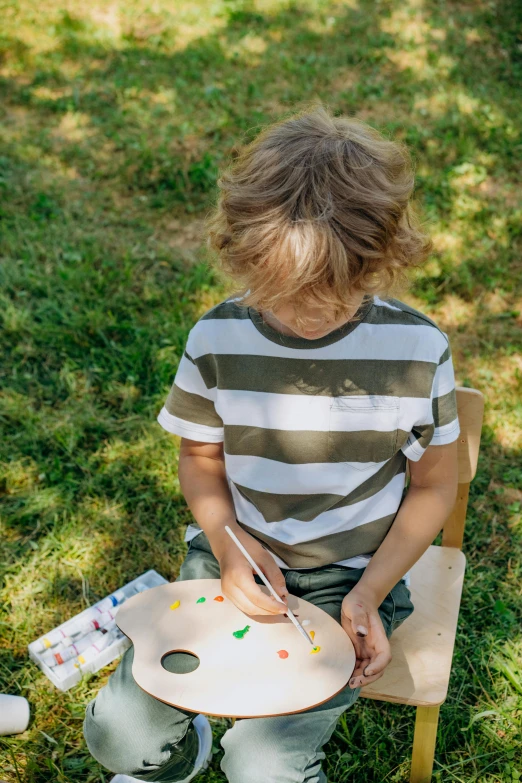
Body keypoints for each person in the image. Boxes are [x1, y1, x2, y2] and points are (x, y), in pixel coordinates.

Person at [83, 102, 460, 783]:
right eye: (279, 292)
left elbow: (434, 484)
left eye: (327, 293)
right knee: (117, 735)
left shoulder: (416, 350)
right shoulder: (217, 338)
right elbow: (198, 459)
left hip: (354, 573)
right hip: (234, 557)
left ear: (376, 262)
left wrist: (370, 592)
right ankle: (180, 756)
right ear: (243, 252)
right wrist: (229, 546)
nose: (301, 314)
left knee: (263, 767)